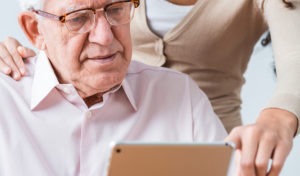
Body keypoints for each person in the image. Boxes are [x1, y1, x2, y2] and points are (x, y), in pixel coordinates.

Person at [0, 0, 299, 175]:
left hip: (206, 134)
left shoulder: (184, 95)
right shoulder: (9, 100)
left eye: (117, 10)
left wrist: (277, 119)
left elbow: (295, 58)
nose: (104, 37)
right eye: (78, 20)